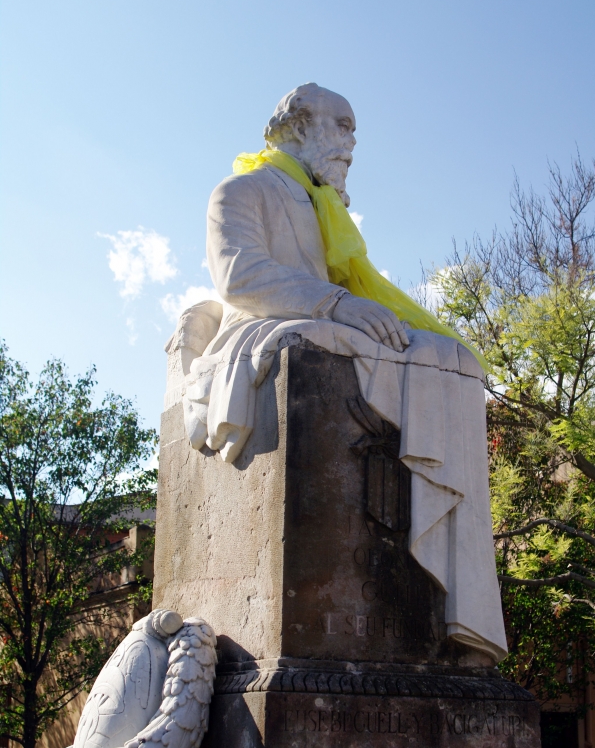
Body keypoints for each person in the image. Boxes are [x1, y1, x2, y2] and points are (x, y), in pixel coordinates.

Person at [170, 83, 508, 664]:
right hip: (266, 324)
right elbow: (239, 276)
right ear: (299, 125)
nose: (352, 143)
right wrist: (335, 303)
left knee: (459, 362)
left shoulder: (324, 208)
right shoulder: (241, 190)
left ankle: (463, 613)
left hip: (331, 322)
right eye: (343, 126)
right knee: (354, 346)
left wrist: (345, 308)